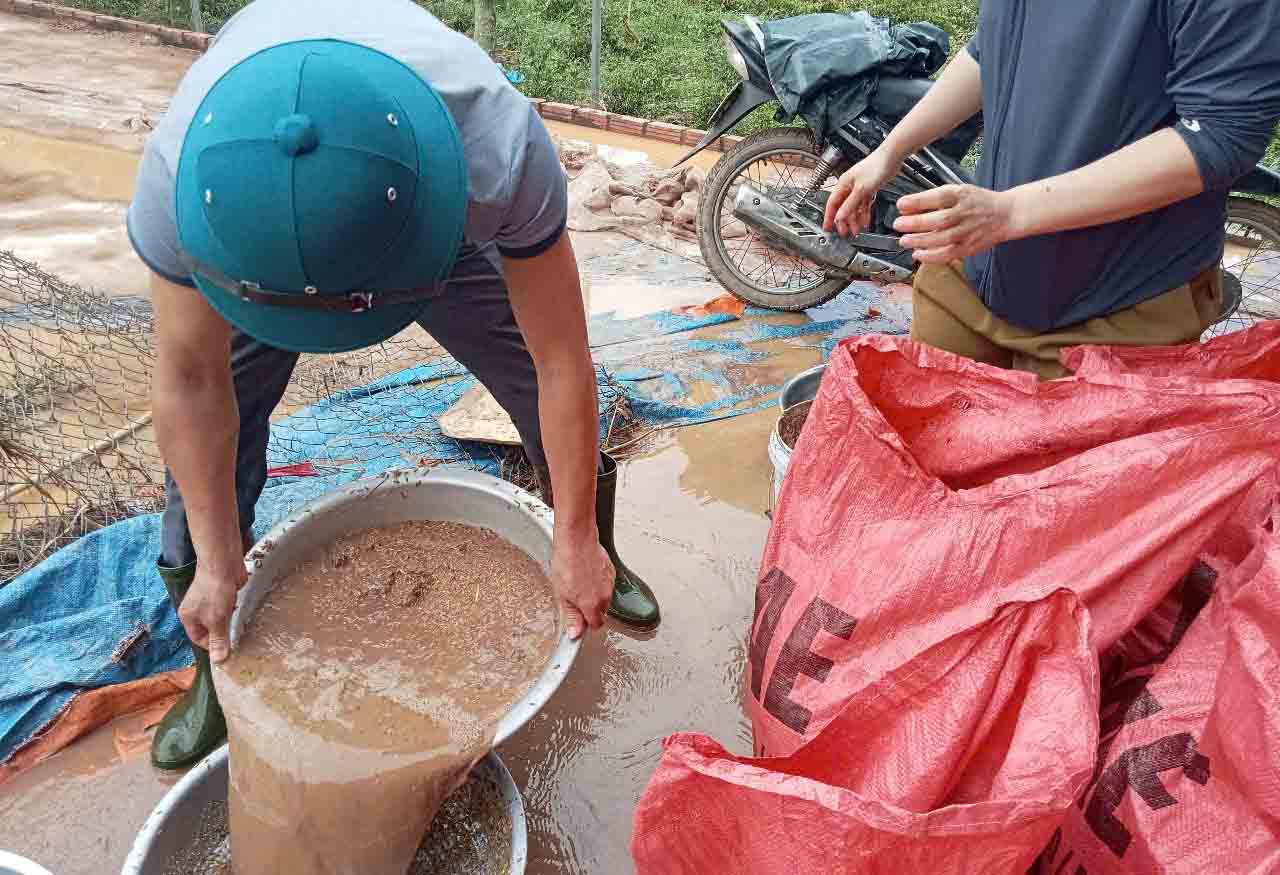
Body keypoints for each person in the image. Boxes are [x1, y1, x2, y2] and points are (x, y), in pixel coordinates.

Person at [127, 0, 661, 771]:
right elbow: (187, 382)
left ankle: (597, 550)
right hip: (265, 259)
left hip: (412, 228)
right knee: (222, 429)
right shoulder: (185, 180)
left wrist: (572, 533)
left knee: (522, 367)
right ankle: (215, 647)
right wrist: (214, 559)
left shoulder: (497, 151)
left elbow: (559, 360)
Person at [825, 0, 1280, 379]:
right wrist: (890, 151)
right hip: (972, 277)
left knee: (1057, 485)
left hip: (1117, 303)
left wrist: (1009, 214)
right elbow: (988, 52)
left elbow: (1219, 134)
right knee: (928, 455)